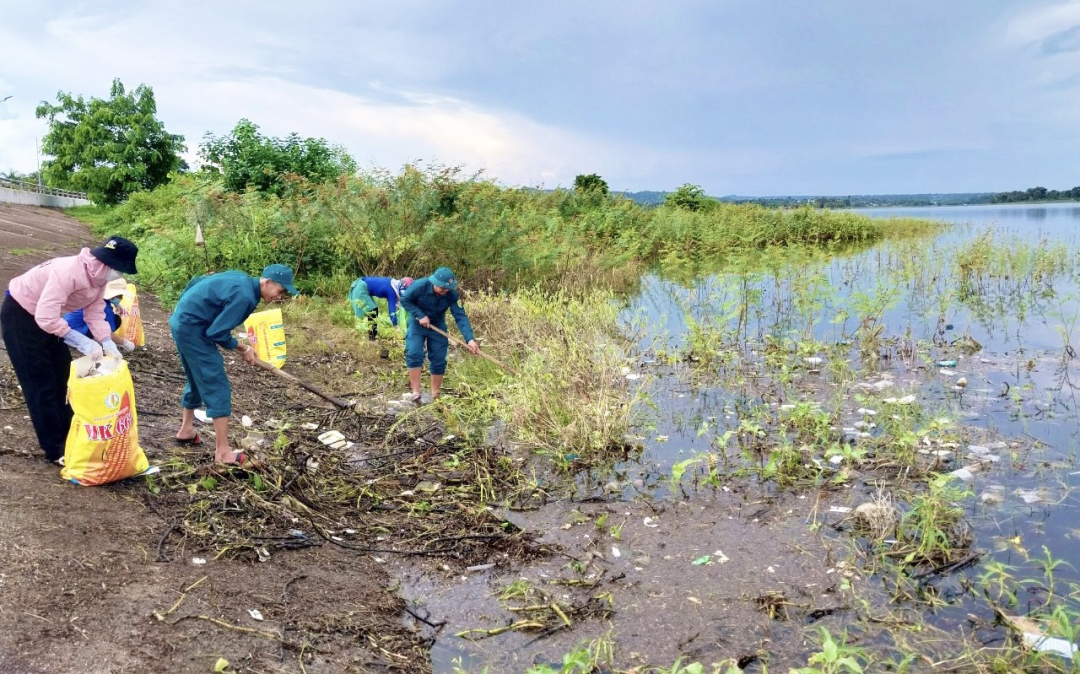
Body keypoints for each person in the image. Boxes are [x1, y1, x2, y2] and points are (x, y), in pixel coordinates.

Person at [1, 236, 139, 463]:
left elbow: (94, 311)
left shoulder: (99, 278)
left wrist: (106, 341)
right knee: (41, 383)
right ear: (107, 262)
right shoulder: (69, 272)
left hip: (48, 319)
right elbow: (45, 317)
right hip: (21, 315)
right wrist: (81, 341)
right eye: (120, 270)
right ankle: (55, 449)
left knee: (64, 380)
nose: (120, 275)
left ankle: (71, 438)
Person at [169, 264, 298, 465]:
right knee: (216, 384)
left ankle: (186, 430)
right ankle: (223, 453)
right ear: (268, 282)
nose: (280, 297)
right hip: (193, 328)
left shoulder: (242, 279)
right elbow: (216, 333)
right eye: (280, 291)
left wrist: (185, 309)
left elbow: (197, 280)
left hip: (182, 321)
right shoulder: (246, 297)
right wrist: (243, 348)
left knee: (197, 376)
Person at [399, 266, 479, 403]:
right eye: (442, 288)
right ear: (434, 283)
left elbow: (460, 316)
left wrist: (470, 339)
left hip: (437, 324)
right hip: (417, 322)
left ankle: (435, 395)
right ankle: (416, 392)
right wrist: (420, 315)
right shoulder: (420, 285)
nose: (445, 291)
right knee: (414, 352)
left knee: (438, 358)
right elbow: (405, 300)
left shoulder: (452, 295)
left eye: (448, 288)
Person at [63, 278, 134, 346]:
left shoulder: (95, 295)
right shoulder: (104, 307)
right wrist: (124, 343)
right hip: (77, 330)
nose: (121, 298)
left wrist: (116, 303)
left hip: (67, 326)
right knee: (113, 321)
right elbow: (108, 332)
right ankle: (89, 340)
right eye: (119, 296)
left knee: (114, 320)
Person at [349, 276, 414, 340]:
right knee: (373, 310)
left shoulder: (394, 284)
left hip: (362, 285)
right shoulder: (392, 290)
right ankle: (371, 338)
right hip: (360, 287)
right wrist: (396, 326)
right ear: (402, 287)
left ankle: (370, 335)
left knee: (372, 310)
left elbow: (397, 308)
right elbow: (392, 311)